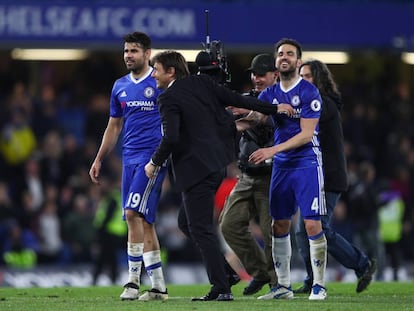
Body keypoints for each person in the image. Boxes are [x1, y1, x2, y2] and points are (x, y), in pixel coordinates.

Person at [144, 50, 293, 302]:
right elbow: (238, 99)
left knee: (201, 229)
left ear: (170, 71)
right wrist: (274, 108)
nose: (153, 74)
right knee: (186, 223)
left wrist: (154, 162)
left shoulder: (168, 97)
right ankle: (227, 273)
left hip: (195, 169)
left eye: (156, 69)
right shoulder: (203, 83)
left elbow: (171, 137)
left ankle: (221, 288)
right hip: (215, 167)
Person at [89, 31, 168, 301]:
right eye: (125, 51)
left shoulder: (159, 83)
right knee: (143, 221)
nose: (128, 55)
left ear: (147, 54)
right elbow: (114, 126)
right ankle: (158, 287)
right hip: (129, 159)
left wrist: (163, 156)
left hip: (152, 159)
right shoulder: (119, 86)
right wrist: (99, 157)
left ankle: (133, 282)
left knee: (133, 213)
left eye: (134, 51)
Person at [248, 38, 328, 301]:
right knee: (279, 224)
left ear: (298, 61)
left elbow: (306, 135)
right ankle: (283, 286)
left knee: (311, 223)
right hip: (283, 166)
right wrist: (228, 119)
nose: (284, 57)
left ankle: (319, 285)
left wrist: (272, 150)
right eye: (280, 54)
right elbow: (254, 119)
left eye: (290, 54)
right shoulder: (268, 94)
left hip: (306, 162)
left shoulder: (308, 92)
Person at [294, 59, 376, 294]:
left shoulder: (325, 104)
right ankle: (312, 279)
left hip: (328, 176)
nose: (303, 80)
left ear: (318, 79)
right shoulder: (315, 103)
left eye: (308, 76)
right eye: (301, 76)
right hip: (312, 176)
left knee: (320, 228)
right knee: (302, 231)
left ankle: (362, 264)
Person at [219, 54, 278, 295]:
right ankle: (261, 272)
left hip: (271, 176)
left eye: (262, 73)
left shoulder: (283, 101)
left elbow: (272, 119)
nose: (256, 78)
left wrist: (247, 113)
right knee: (229, 225)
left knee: (271, 232)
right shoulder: (247, 99)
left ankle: (278, 285)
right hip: (246, 174)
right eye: (253, 73)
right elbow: (228, 112)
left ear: (275, 75)